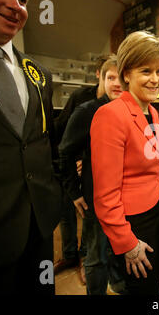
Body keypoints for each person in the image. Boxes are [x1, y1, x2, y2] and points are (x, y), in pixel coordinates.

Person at [90, 31, 159, 295]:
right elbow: (105, 194)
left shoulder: (151, 111)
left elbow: (149, 159)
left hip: (155, 208)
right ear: (126, 73)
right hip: (133, 221)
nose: (155, 79)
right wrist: (127, 243)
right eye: (146, 71)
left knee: (155, 277)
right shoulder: (110, 115)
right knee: (143, 287)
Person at [0, 0, 62, 294]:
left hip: (38, 233)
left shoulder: (38, 74)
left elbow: (47, 144)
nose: (17, 6)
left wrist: (55, 195)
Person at [59, 55, 127, 295]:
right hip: (95, 198)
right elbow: (65, 153)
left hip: (123, 199)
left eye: (122, 77)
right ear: (102, 78)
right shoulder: (87, 111)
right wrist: (74, 191)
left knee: (118, 251)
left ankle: (117, 287)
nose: (117, 83)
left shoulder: (130, 110)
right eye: (111, 77)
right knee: (96, 255)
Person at [53, 55, 109, 284]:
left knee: (87, 217)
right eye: (109, 75)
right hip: (67, 164)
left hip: (89, 173)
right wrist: (76, 158)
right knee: (66, 213)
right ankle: (69, 256)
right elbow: (62, 131)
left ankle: (84, 260)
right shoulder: (81, 99)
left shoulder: (113, 103)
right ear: (100, 75)